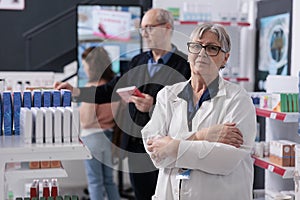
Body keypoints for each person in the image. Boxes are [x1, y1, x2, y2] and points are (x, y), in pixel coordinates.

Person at [54, 8, 191, 200]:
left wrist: (153, 107)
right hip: (137, 145)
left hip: (169, 146)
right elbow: (109, 90)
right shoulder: (138, 61)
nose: (144, 34)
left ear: (167, 28)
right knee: (142, 195)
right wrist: (76, 91)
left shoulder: (185, 65)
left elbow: (192, 109)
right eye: (142, 29)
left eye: (149, 28)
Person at [141, 23, 256, 200]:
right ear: (189, 53)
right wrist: (203, 136)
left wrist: (171, 146)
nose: (202, 53)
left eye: (212, 48)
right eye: (196, 46)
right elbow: (155, 152)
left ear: (225, 58)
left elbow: (225, 161)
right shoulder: (167, 95)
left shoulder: (238, 100)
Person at [78, 46, 120, 200]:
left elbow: (87, 120)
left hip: (92, 138)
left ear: (92, 65)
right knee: (109, 181)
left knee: (95, 181)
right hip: (109, 137)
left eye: (85, 65)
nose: (84, 69)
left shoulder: (92, 88)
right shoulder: (113, 86)